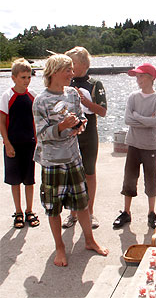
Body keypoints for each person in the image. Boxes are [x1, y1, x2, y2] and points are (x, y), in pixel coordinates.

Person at [32, 54, 108, 266]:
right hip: (52, 162)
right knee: (53, 208)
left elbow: (80, 118)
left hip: (74, 158)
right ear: (55, 71)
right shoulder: (41, 100)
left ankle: (90, 241)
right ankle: (60, 247)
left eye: (72, 70)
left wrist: (80, 125)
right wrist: (63, 126)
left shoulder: (73, 95)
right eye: (68, 70)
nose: (72, 74)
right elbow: (42, 134)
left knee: (82, 203)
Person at [113, 63, 156, 229]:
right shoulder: (133, 97)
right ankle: (126, 212)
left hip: (150, 146)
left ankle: (151, 213)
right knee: (129, 179)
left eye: (141, 76)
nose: (138, 79)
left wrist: (137, 116)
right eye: (137, 76)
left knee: (151, 181)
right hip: (133, 144)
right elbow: (128, 119)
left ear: (151, 77)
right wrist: (144, 119)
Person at [62, 46, 107, 229]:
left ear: (83, 64)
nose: (70, 68)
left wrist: (85, 101)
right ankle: (72, 214)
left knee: (89, 172)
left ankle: (90, 212)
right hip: (69, 132)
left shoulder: (95, 84)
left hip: (88, 133)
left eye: (72, 64)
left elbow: (103, 111)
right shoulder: (65, 81)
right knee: (71, 174)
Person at [0, 58, 40, 229]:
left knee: (29, 180)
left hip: (30, 144)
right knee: (15, 181)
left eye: (29, 77)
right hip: (13, 144)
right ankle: (18, 212)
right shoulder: (7, 96)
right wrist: (7, 143)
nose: (26, 81)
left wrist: (39, 143)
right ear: (14, 78)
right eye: (23, 77)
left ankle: (29, 210)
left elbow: (38, 122)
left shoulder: (33, 97)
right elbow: (1, 122)